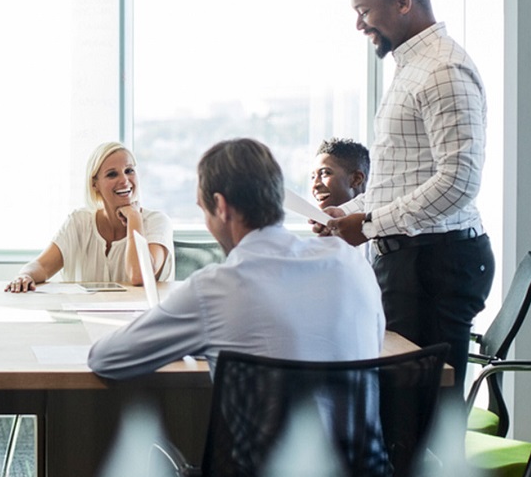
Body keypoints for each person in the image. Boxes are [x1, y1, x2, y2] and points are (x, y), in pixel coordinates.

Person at [319, 0, 495, 389]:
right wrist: (352, 212)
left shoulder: (442, 70)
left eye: (364, 12)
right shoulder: (414, 67)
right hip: (412, 259)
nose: (359, 25)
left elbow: (459, 182)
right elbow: (404, 175)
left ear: (402, 1)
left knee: (422, 411)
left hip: (435, 264)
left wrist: (373, 223)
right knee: (398, 403)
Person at [88, 139, 382, 379]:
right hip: (363, 452)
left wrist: (195, 336)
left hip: (263, 453)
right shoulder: (351, 263)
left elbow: (104, 358)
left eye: (203, 210)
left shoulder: (216, 289)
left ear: (220, 206)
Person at [7, 141, 174, 292]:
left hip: (139, 322)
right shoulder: (79, 221)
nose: (124, 180)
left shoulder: (157, 222)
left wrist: (134, 218)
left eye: (129, 171)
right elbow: (42, 266)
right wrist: (25, 275)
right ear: (95, 184)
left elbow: (139, 275)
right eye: (112, 174)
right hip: (85, 318)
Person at [311, 137, 370, 209]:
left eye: (325, 173)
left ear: (356, 179)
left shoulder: (378, 218)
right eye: (313, 177)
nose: (314, 185)